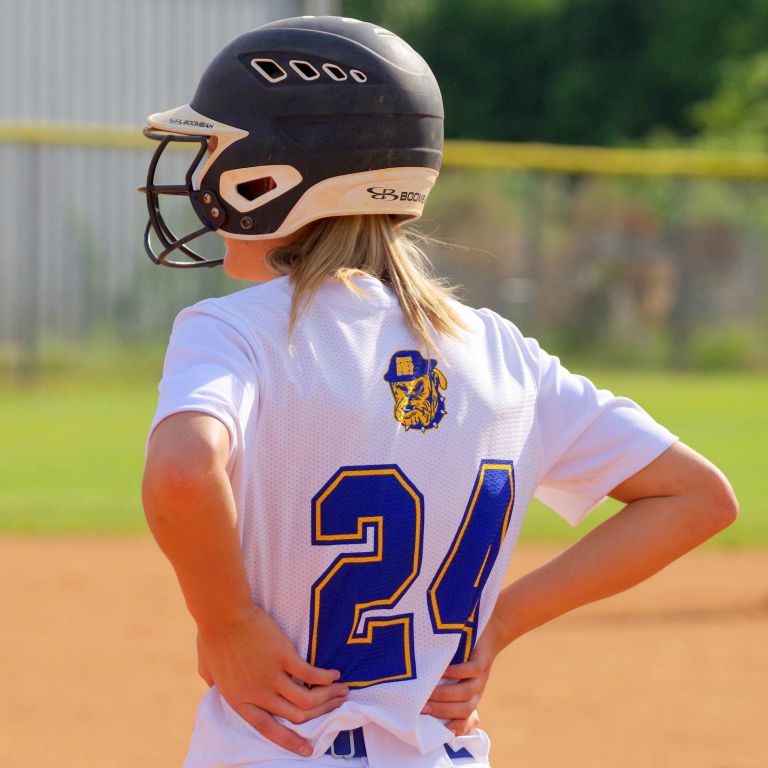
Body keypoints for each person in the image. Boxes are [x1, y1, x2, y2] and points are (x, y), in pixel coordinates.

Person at [140, 16, 737, 768]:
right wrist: (500, 624)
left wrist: (225, 622)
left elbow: (183, 469)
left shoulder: (235, 331)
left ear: (270, 176)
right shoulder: (502, 351)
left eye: (215, 150)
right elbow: (697, 497)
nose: (199, 174)